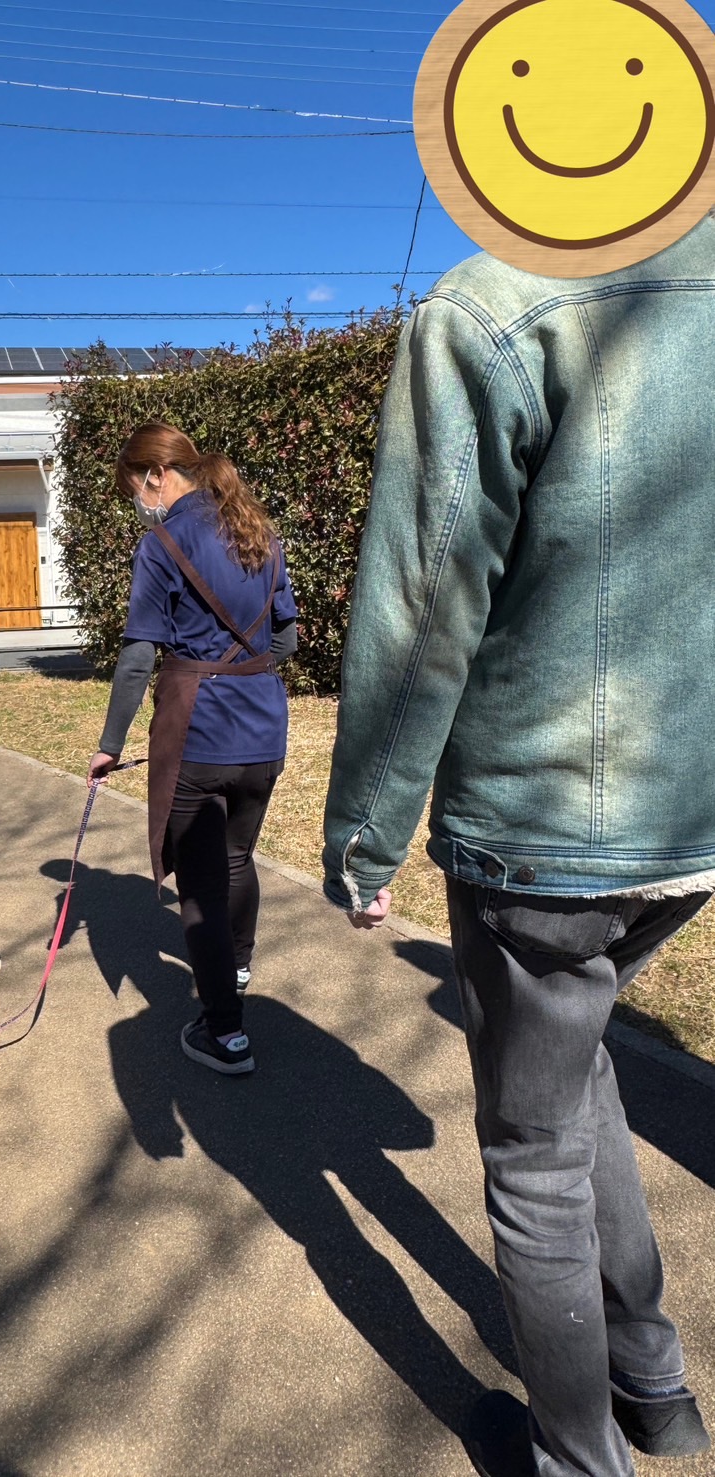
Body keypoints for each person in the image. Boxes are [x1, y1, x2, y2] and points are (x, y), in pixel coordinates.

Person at [322, 219, 715, 1476]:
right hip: (691, 817)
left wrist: (365, 834)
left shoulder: (493, 303)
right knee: (578, 1074)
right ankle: (654, 1387)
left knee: (534, 1154)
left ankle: (576, 1458)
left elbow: (423, 594)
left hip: (543, 826)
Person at [88, 421, 297, 1076]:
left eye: (134, 487)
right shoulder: (258, 530)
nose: (137, 501)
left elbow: (137, 658)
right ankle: (237, 970)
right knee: (236, 858)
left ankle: (225, 1032)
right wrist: (241, 670)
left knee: (201, 885)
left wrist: (110, 744)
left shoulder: (161, 544)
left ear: (156, 475)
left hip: (198, 736)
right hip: (264, 731)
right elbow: (287, 639)